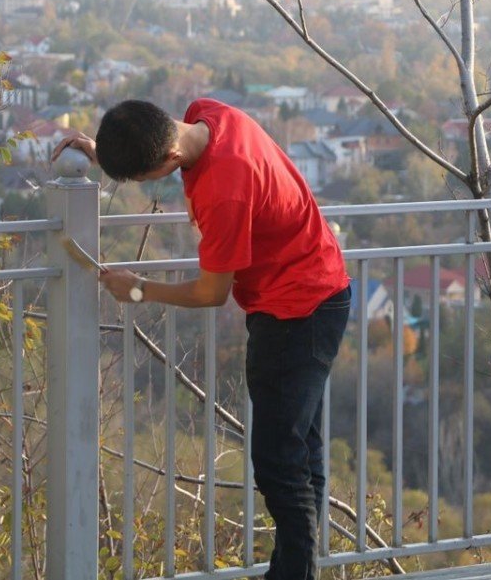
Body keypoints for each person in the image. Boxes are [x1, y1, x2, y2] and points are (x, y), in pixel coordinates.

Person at [54, 97, 351, 580]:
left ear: (169, 161)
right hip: (316, 292)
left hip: (297, 312)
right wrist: (104, 153)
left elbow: (212, 292)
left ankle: (295, 573)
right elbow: (157, 144)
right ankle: (299, 569)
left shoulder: (223, 189)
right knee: (297, 453)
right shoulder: (209, 114)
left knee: (278, 464)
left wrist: (138, 288)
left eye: (145, 177)